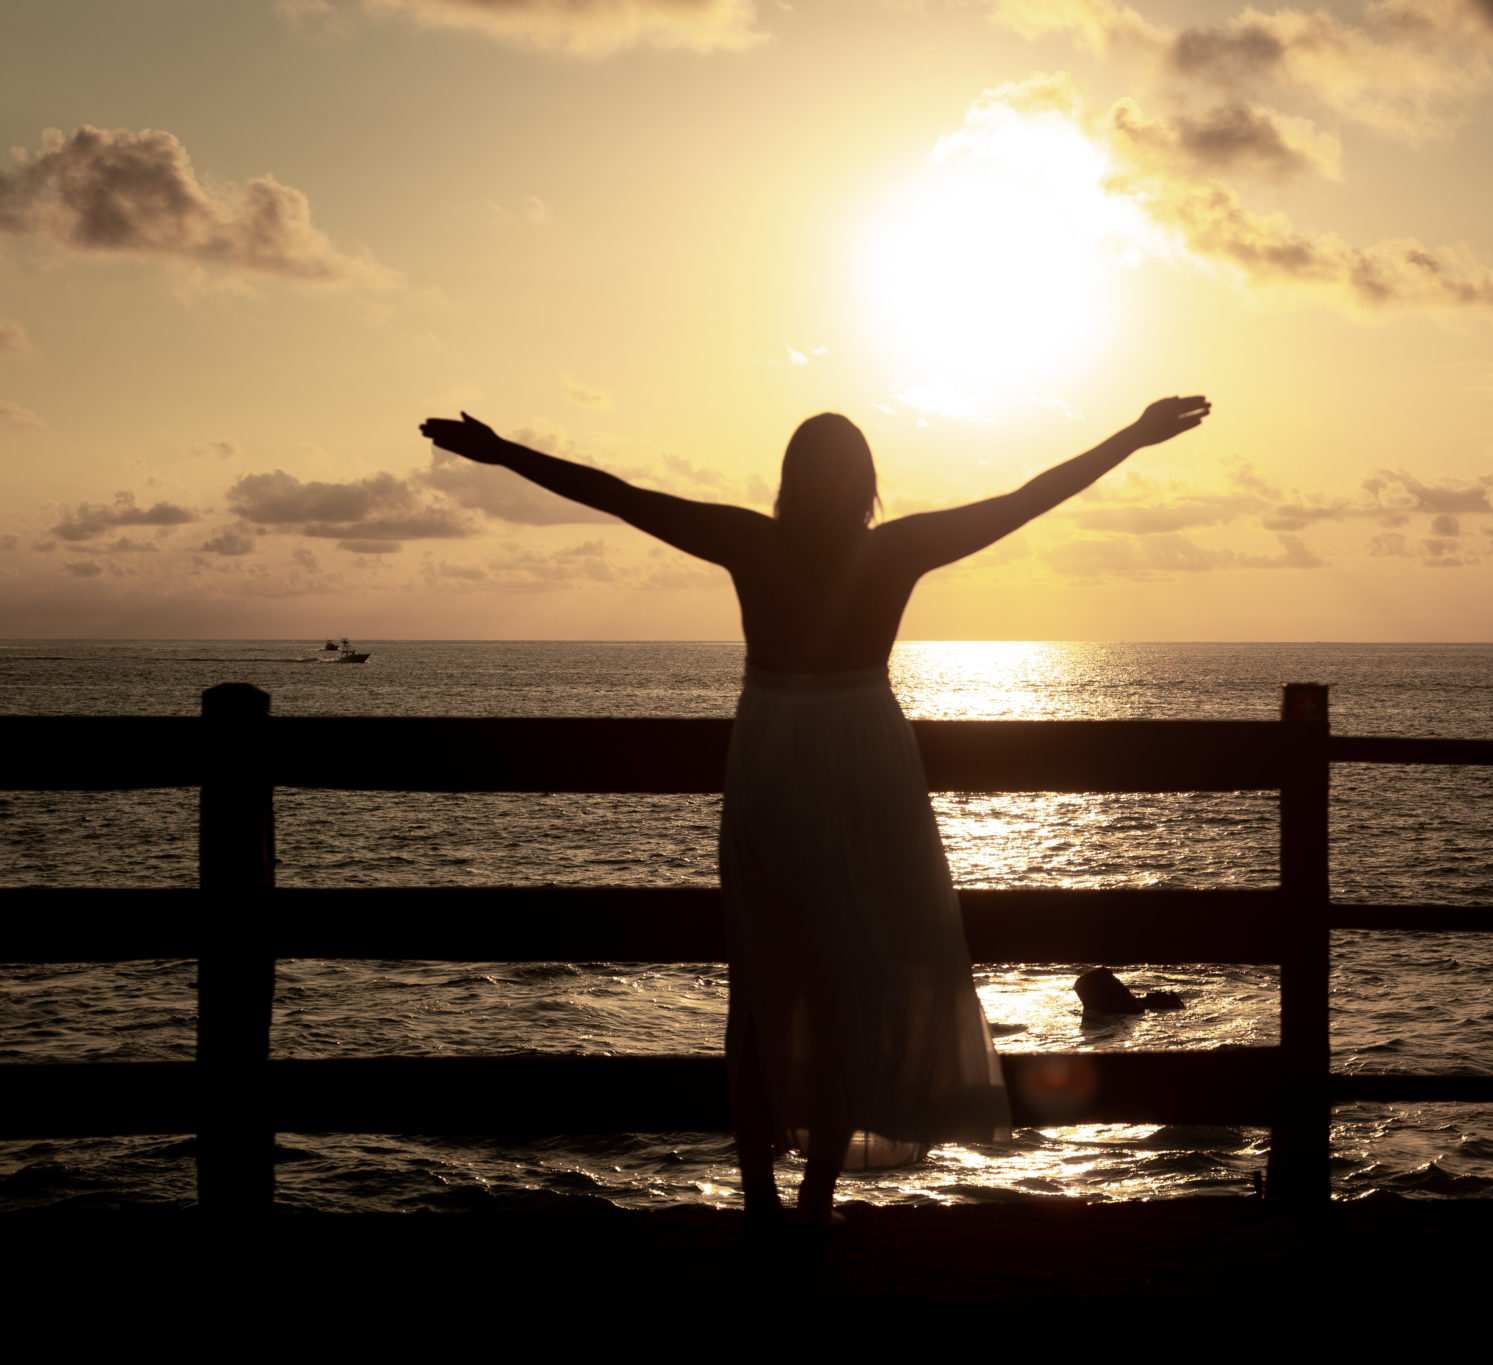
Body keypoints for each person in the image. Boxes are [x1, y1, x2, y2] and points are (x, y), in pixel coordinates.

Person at [420, 395, 1211, 1228]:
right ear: (862, 485)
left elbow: (621, 495)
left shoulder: (757, 542)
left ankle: (775, 1194)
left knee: (770, 982)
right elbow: (1024, 499)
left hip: (781, 751)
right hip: (856, 755)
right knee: (840, 986)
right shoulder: (890, 548)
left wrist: (506, 452)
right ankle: (807, 1194)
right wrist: (1130, 435)